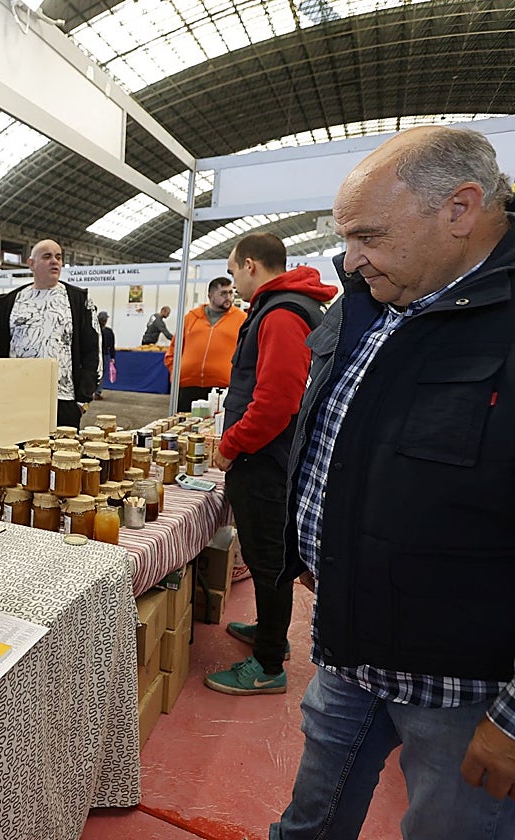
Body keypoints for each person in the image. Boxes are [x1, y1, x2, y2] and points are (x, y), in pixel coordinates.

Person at [273, 126, 515, 837]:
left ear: (461, 210)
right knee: (309, 821)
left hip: (464, 689)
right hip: (349, 648)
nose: (350, 260)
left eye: (368, 235)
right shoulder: (368, 298)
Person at [204, 233, 335, 697]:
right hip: (267, 454)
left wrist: (231, 445)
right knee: (265, 554)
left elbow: (276, 401)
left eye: (234, 268)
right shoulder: (284, 307)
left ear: (252, 265)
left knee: (269, 556)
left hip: (266, 457)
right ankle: (268, 632)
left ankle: (267, 664)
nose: (234, 279)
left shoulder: (281, 314)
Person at [0, 239, 100, 427]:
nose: (55, 261)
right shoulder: (8, 302)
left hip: (64, 401)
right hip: (17, 400)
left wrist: (83, 400)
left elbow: (93, 351)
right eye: (47, 256)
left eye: (58, 257)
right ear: (31, 264)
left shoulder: (79, 300)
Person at [163, 277, 247, 410]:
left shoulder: (242, 319)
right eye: (223, 293)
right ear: (210, 295)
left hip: (222, 390)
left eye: (231, 293)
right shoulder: (191, 318)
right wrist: (175, 373)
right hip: (187, 388)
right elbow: (173, 350)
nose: (228, 297)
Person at [95, 311, 116, 400]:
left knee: (92, 372)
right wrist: (112, 357)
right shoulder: (109, 332)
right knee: (101, 373)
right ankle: (97, 392)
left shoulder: (94, 330)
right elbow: (111, 345)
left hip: (94, 354)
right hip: (103, 355)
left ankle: (91, 391)